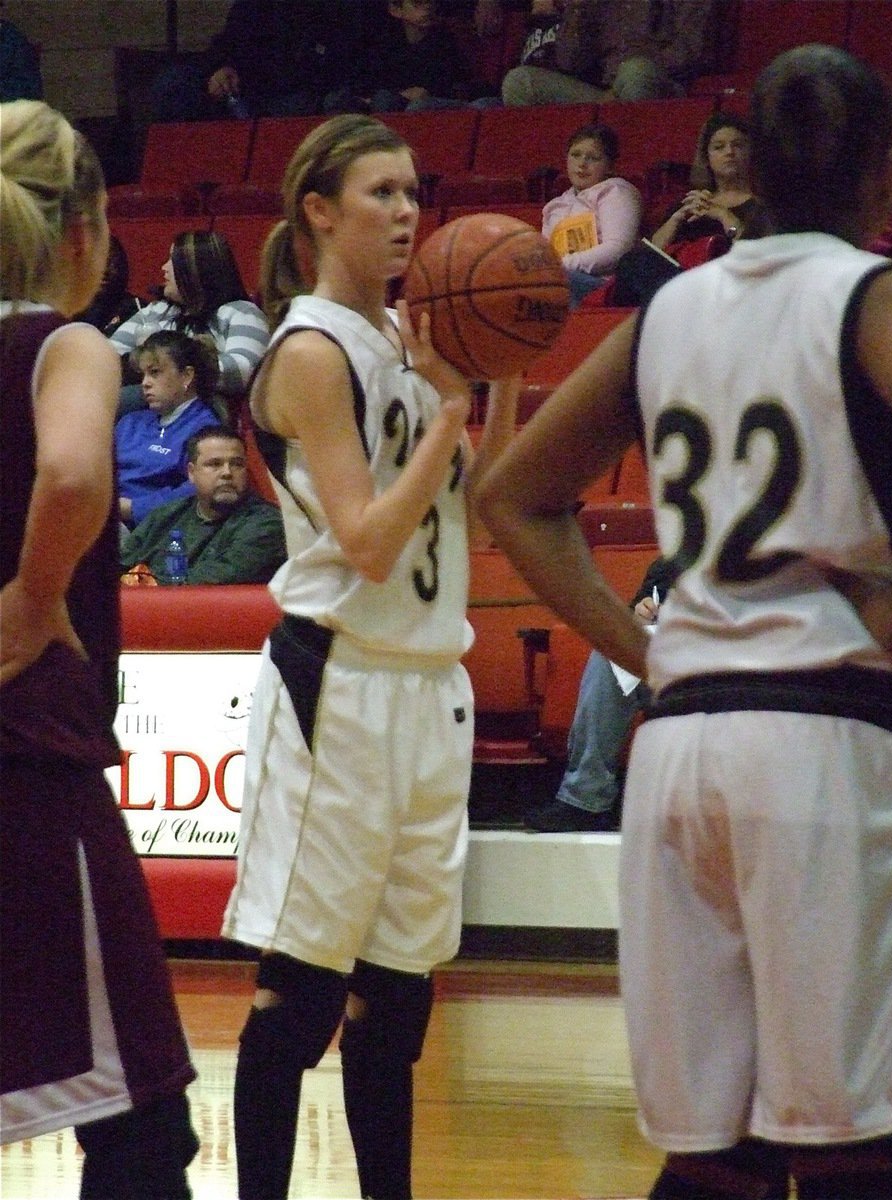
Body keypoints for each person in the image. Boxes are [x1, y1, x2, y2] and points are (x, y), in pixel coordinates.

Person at [477, 43, 892, 1200]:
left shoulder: (670, 310)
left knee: (715, 1157)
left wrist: (644, 651)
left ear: (747, 164)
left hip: (678, 750)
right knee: (861, 1144)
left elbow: (509, 496)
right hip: (826, 742)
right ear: (885, 173)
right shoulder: (872, 298)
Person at [220, 112, 520, 1200]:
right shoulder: (309, 352)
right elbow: (366, 538)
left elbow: (471, 522)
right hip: (336, 687)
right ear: (319, 210)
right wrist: (447, 410)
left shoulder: (411, 338)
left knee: (396, 1001)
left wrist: (499, 377)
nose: (407, 214)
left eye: (413, 192)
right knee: (298, 994)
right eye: (383, 194)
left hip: (430, 686)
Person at [0, 98, 198, 1197]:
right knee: (143, 1118)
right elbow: (74, 472)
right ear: (82, 230)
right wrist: (32, 602)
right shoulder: (63, 341)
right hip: (30, 765)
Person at [524, 556, 675, 832]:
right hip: (669, 664)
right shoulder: (669, 563)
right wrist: (639, 615)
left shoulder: (754, 559)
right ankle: (585, 798)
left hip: (731, 665)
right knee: (610, 654)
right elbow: (634, 619)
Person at [108, 229, 269, 417]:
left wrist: (164, 367)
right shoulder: (157, 311)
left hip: (203, 416)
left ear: (195, 269)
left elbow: (241, 371)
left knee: (119, 400)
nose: (164, 267)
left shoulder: (241, 312)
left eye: (172, 261)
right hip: (147, 415)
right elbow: (110, 356)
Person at [120, 425, 286, 585]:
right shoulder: (166, 514)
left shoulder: (266, 524)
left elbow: (202, 586)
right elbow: (118, 566)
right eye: (214, 464)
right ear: (191, 473)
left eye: (237, 464)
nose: (227, 473)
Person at [150, 0, 365, 122]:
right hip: (244, 87)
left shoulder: (335, 9)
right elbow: (230, 40)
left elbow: (338, 61)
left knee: (302, 106)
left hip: (296, 93)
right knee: (174, 83)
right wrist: (222, 67)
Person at [502, 0, 731, 107]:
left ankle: (631, 162)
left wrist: (633, 71)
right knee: (519, 82)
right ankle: (569, 165)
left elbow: (690, 50)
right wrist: (578, 9)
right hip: (603, 94)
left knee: (636, 71)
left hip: (663, 85)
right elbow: (569, 62)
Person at [116, 329, 221, 530]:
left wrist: (132, 508)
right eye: (143, 374)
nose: (145, 383)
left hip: (151, 530)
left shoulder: (205, 430)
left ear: (187, 376)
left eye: (155, 372)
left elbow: (197, 488)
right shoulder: (130, 421)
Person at [323, 0, 492, 116]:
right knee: (336, 100)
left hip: (427, 102)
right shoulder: (384, 42)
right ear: (396, 10)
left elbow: (449, 83)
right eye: (417, 3)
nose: (426, 8)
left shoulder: (443, 40)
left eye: (429, 2)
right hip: (386, 98)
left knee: (387, 100)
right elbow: (367, 78)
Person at [542, 121, 642, 307]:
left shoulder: (615, 191)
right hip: (560, 277)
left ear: (610, 166)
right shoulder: (554, 207)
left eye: (593, 158)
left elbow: (618, 250)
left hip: (605, 285)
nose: (581, 164)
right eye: (576, 155)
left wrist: (559, 267)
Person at [650, 110, 767, 248]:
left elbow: (756, 253)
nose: (729, 152)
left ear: (750, 153)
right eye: (719, 147)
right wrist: (677, 218)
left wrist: (723, 214)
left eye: (738, 145)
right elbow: (654, 251)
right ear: (707, 157)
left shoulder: (765, 205)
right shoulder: (693, 202)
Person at [74, 234, 142, 334]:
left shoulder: (135, 309)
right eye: (95, 261)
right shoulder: (65, 312)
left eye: (110, 261)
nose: (104, 270)